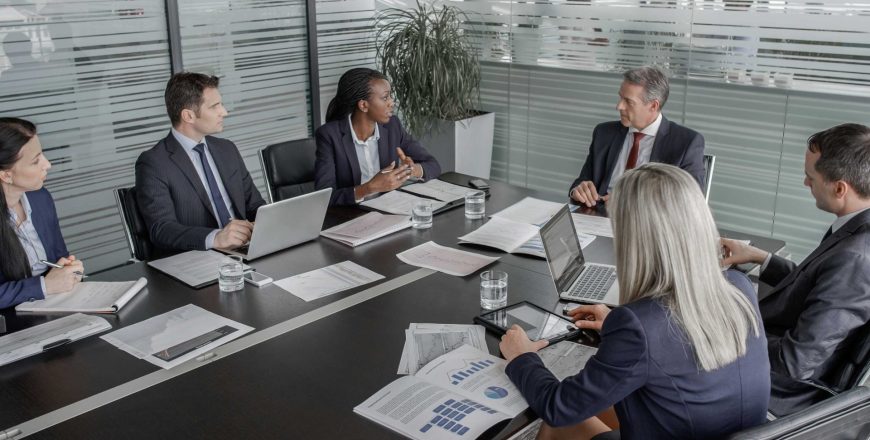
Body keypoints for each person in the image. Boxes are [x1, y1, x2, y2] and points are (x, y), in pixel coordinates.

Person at [501, 163, 769, 440]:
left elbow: (559, 407)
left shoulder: (638, 325)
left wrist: (522, 357)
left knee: (556, 424)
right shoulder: (739, 285)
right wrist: (621, 332)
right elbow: (679, 345)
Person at [721, 123, 870, 416]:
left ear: (840, 188)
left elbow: (794, 363)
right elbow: (816, 284)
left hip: (779, 390)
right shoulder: (855, 228)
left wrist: (727, 331)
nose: (805, 183)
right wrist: (760, 257)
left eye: (810, 176)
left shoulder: (855, 257)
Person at [136, 72, 266, 257]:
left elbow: (255, 205)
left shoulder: (226, 149)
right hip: (198, 258)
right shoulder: (153, 163)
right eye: (215, 106)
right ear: (188, 116)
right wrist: (216, 238)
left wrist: (268, 224)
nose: (224, 112)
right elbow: (161, 229)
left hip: (245, 251)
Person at [569, 66, 705, 207]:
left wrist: (633, 202)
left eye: (628, 101)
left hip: (648, 224)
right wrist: (579, 190)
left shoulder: (686, 142)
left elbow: (693, 201)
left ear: (653, 105)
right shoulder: (604, 133)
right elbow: (583, 180)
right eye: (620, 97)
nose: (619, 106)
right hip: (599, 216)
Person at [314, 68, 441, 206]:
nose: (392, 103)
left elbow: (433, 165)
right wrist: (368, 188)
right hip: (351, 216)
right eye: (385, 98)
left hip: (390, 210)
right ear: (363, 105)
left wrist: (411, 171)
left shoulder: (393, 126)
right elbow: (324, 198)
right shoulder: (329, 136)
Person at [0, 117, 83, 309]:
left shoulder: (40, 197)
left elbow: (59, 255)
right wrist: (44, 286)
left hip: (54, 305)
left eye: (42, 155)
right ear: (5, 175)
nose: (47, 165)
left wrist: (68, 270)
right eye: (35, 161)